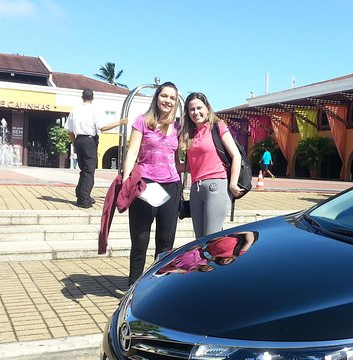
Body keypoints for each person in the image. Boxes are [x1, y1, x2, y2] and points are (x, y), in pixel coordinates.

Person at [121, 81, 182, 286]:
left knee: (166, 241)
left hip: (171, 186)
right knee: (140, 240)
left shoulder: (178, 127)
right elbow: (132, 152)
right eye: (164, 96)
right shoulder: (142, 122)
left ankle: (158, 286)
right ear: (157, 97)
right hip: (145, 185)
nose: (168, 100)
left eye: (172, 98)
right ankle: (133, 286)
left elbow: (178, 160)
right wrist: (126, 181)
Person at [179, 92, 244, 239]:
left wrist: (233, 183)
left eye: (199, 108)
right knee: (200, 241)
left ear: (207, 109)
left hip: (216, 186)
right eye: (192, 109)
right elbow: (193, 166)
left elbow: (236, 155)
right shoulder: (190, 134)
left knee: (211, 239)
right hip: (196, 189)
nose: (196, 112)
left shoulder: (217, 127)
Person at [64, 89, 123, 208]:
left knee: (83, 170)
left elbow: (69, 130)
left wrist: (74, 143)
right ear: (93, 98)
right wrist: (120, 122)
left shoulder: (75, 110)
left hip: (79, 139)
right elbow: (103, 127)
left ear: (82, 97)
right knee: (89, 171)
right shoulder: (94, 110)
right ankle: (84, 199)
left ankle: (81, 195)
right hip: (89, 140)